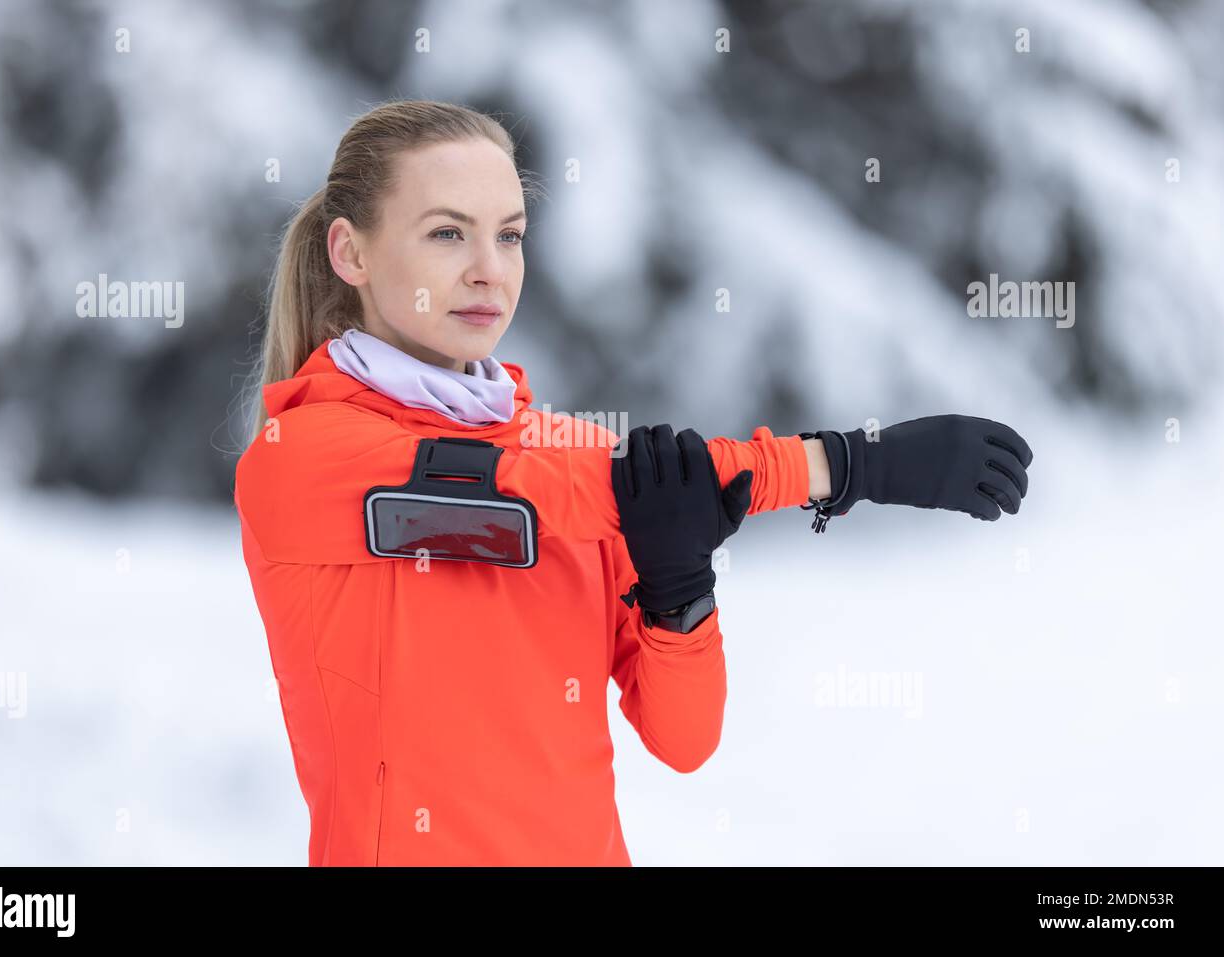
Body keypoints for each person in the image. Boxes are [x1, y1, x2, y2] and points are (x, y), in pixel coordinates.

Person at [233, 99, 1033, 867]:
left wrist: (680, 592)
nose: (488, 270)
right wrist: (851, 464)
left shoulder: (575, 465)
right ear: (351, 252)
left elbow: (683, 739)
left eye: (509, 236)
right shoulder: (302, 453)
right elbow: (519, 491)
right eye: (448, 233)